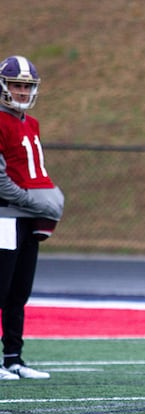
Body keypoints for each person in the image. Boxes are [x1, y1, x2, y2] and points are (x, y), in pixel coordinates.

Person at [0, 55, 64, 380]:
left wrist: (46, 201)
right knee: (1, 286)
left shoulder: (32, 123)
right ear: (4, 86)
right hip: (6, 216)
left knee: (19, 290)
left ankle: (13, 358)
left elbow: (34, 172)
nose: (22, 91)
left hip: (28, 217)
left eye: (26, 86)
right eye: (16, 85)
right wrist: (31, 202)